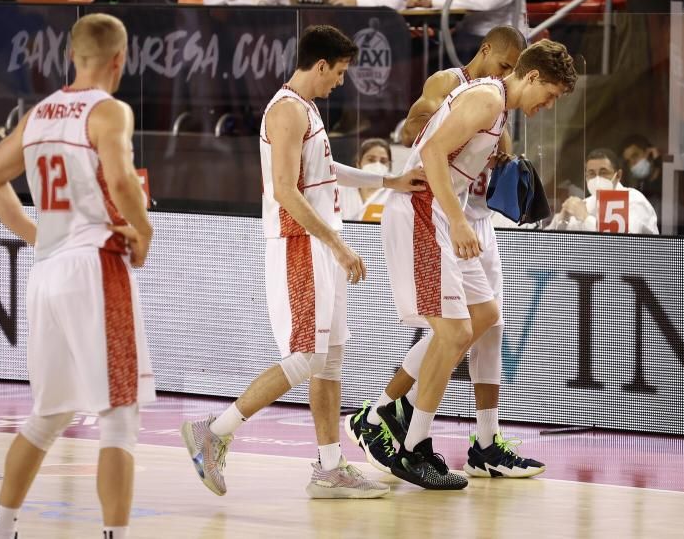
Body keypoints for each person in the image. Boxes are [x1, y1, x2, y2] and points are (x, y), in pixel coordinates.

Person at [179, 25, 423, 499]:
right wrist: (337, 243)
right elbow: (286, 191)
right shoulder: (287, 110)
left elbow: (326, 175)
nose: (341, 82)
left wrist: (390, 181)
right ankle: (215, 430)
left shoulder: (306, 107)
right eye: (340, 73)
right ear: (320, 66)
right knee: (307, 356)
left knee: (330, 359)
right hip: (299, 243)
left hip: (317, 244)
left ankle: (330, 467)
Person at [0, 13, 154, 539]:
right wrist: (144, 231)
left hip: (48, 269)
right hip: (94, 263)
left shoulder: (39, 114)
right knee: (119, 418)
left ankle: (1, 527)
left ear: (71, 57)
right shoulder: (109, 110)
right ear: (120, 60)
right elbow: (121, 182)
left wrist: (38, 235)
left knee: (48, 414)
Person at [375, 39, 576, 489]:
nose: (547, 106)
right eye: (550, 95)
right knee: (455, 332)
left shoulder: (499, 105)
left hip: (445, 213)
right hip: (425, 213)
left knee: (485, 318)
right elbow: (428, 152)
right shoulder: (485, 97)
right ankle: (409, 442)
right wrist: (459, 223)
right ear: (531, 77)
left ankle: (399, 420)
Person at [548, 148, 659, 235]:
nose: (597, 178)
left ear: (618, 175)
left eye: (603, 172)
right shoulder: (586, 203)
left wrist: (586, 218)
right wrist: (562, 219)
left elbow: (621, 247)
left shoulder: (633, 200)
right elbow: (548, 243)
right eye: (591, 173)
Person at [340, 137, 394, 222]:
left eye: (383, 161)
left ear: (389, 165)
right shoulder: (342, 189)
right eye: (371, 160)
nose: (377, 165)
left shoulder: (395, 193)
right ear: (358, 163)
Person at [620, 134, 662, 210]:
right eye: (628, 161)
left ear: (650, 153)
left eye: (635, 156)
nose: (632, 163)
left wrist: (658, 163)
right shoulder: (639, 185)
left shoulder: (669, 177)